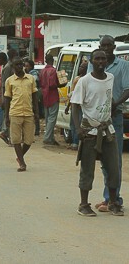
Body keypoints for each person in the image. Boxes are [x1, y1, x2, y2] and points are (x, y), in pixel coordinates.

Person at [71, 49, 123, 216]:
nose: (101, 62)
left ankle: (113, 202)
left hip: (108, 130)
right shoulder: (84, 81)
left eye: (103, 59)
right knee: (87, 168)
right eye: (97, 59)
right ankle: (84, 204)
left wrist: (112, 107)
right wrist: (78, 128)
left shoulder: (111, 78)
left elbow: (107, 98)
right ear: (92, 61)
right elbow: (75, 105)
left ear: (107, 61)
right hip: (89, 130)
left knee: (113, 168)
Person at [89, 35, 129, 212]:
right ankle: (109, 197)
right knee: (103, 159)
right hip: (97, 118)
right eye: (102, 46)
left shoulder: (123, 66)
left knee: (115, 160)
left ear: (114, 47)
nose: (105, 49)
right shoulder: (94, 64)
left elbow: (127, 90)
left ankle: (114, 199)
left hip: (115, 116)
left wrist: (115, 103)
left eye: (108, 46)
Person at [4, 57, 40, 172]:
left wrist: (37, 112)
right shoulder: (9, 81)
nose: (19, 67)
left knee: (29, 140)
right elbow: (7, 99)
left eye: (21, 65)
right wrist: (6, 116)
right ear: (13, 67)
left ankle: (20, 157)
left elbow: (34, 96)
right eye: (17, 65)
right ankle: (22, 163)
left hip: (29, 112)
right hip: (15, 112)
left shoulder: (30, 79)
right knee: (16, 139)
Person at [40, 54, 64, 146]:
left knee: (47, 117)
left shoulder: (42, 71)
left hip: (45, 95)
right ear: (53, 60)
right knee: (52, 118)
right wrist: (61, 83)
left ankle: (50, 137)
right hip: (52, 95)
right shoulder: (53, 71)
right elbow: (53, 84)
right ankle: (47, 137)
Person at [65, 61, 87, 150]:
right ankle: (75, 143)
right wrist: (68, 105)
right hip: (74, 105)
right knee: (73, 124)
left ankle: (76, 143)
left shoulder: (84, 80)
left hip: (80, 106)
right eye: (80, 66)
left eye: (82, 67)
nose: (80, 68)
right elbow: (73, 94)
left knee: (77, 124)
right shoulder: (77, 78)